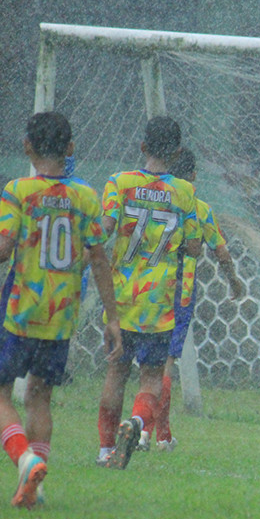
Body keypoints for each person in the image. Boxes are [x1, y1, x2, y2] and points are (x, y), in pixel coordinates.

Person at [0, 111, 122, 508]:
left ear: (27, 147)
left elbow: (2, 250)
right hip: (60, 318)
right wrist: (113, 317)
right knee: (39, 397)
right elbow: (99, 259)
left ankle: (25, 460)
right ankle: (36, 487)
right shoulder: (85, 196)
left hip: (20, 312)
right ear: (69, 149)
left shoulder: (18, 191)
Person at [96, 116, 200, 469]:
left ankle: (106, 449)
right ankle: (138, 423)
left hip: (121, 299)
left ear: (142, 147)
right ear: (177, 151)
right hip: (159, 303)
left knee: (116, 372)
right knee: (152, 376)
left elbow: (105, 229)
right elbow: (196, 246)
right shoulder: (184, 192)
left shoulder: (119, 183)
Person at [137, 147, 246, 453]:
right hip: (180, 292)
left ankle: (145, 429)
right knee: (165, 364)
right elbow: (220, 251)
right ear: (194, 176)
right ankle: (155, 434)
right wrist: (234, 280)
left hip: (146, 288)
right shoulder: (199, 208)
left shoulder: (149, 199)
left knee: (146, 366)